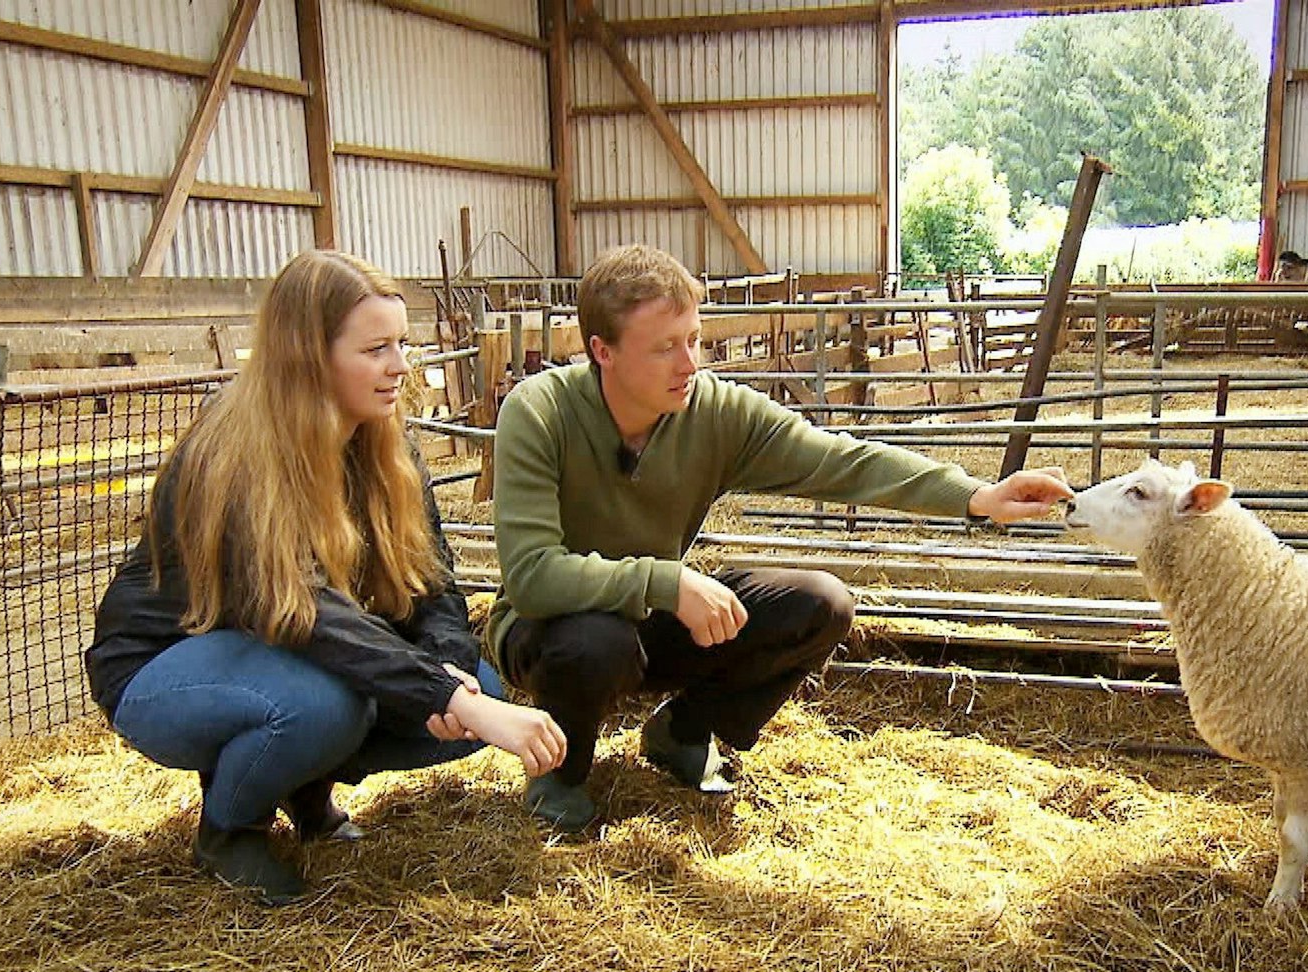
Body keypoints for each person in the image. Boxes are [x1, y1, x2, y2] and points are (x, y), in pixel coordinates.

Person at [489, 244, 1072, 831]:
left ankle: (683, 731)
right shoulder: (539, 414)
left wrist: (975, 496)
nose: (689, 363)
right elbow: (534, 577)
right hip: (551, 629)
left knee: (822, 605)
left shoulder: (711, 412)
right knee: (594, 642)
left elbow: (841, 462)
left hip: (651, 614)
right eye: (664, 347)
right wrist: (666, 581)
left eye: (692, 339)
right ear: (602, 352)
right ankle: (559, 774)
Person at [86, 250, 566, 906]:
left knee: (471, 681)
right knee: (333, 704)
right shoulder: (234, 452)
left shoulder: (382, 440)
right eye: (375, 349)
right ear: (309, 356)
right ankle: (230, 830)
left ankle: (303, 788)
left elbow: (433, 584)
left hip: (283, 654)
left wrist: (449, 669)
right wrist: (450, 700)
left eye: (402, 342)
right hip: (164, 666)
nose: (400, 365)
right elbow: (298, 610)